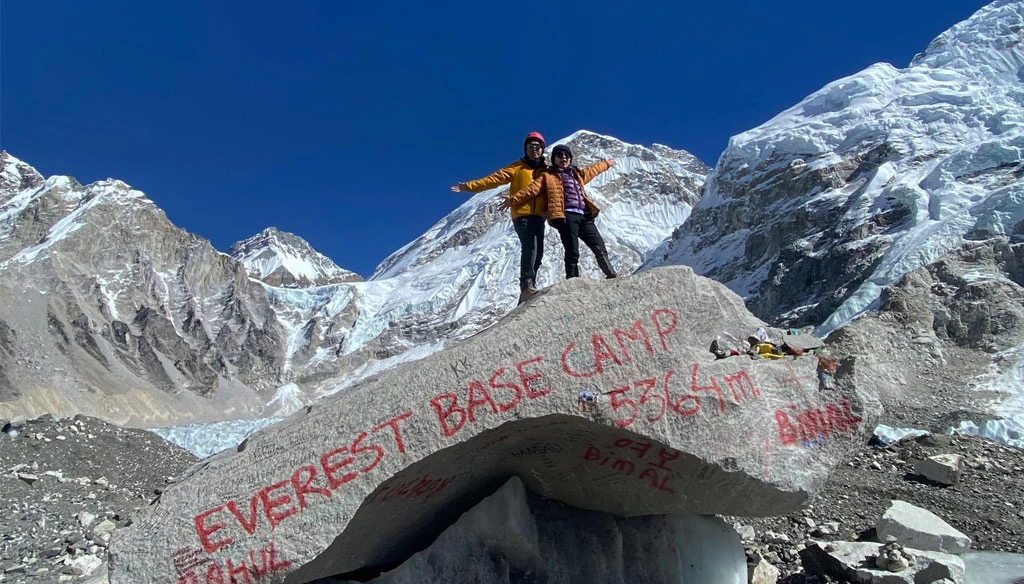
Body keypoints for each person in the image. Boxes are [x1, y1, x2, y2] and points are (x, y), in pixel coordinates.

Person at [451, 132, 549, 303]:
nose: (534, 149)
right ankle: (526, 286)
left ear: (542, 149)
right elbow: (493, 180)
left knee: (538, 251)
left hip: (539, 216)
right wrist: (468, 186)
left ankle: (530, 285)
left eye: (537, 147)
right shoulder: (517, 167)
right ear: (526, 149)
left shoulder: (546, 170)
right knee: (530, 247)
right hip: (522, 214)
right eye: (531, 147)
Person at [501, 144, 617, 280]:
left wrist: (606, 164)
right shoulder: (548, 176)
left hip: (584, 215)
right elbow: (531, 189)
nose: (564, 158)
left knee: (598, 245)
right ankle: (573, 280)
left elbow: (593, 170)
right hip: (566, 216)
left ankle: (610, 274)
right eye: (560, 156)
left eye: (567, 156)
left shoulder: (577, 174)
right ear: (554, 159)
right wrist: (513, 199)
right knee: (572, 250)